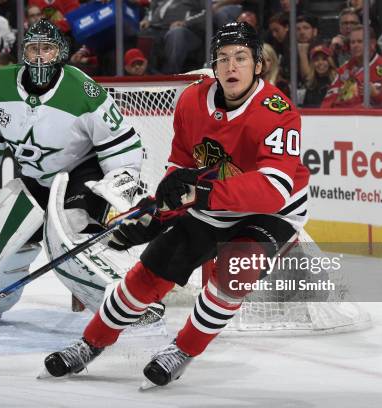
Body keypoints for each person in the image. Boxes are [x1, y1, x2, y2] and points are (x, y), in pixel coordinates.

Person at [39, 22, 309, 388]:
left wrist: (200, 194)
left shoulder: (277, 111)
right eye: (224, 59)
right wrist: (159, 213)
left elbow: (274, 188)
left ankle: (183, 350)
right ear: (214, 66)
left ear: (258, 65)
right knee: (147, 277)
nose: (231, 67)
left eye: (241, 58)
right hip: (211, 205)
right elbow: (182, 165)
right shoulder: (192, 101)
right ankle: (90, 343)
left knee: (233, 274)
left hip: (271, 214)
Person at [0, 20, 142, 330]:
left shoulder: (84, 90)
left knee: (71, 242)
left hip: (80, 176)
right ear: (22, 53)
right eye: (33, 48)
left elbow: (120, 144)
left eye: (47, 48)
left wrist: (120, 180)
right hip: (35, 179)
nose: (39, 57)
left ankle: (128, 305)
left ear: (61, 53)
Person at [321, 25, 382, 108]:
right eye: (352, 42)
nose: (355, 45)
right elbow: (329, 98)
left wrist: (376, 95)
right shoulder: (345, 68)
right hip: (340, 117)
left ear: (372, 44)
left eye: (360, 41)